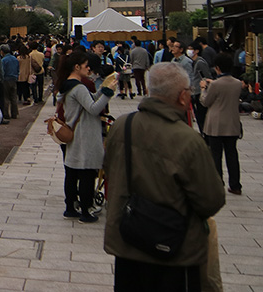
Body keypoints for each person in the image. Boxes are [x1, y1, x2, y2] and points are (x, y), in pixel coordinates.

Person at [103, 62, 226, 290]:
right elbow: (211, 200)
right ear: (182, 96)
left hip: (128, 240)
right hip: (174, 248)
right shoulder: (188, 140)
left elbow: (111, 168)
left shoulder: (122, 126)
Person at [54, 49, 116, 222]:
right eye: (86, 66)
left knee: (72, 172)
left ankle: (70, 208)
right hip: (85, 134)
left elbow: (90, 100)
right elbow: (94, 108)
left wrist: (104, 90)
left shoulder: (68, 84)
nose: (89, 69)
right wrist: (109, 93)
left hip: (74, 132)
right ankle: (86, 211)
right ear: (76, 67)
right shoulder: (79, 87)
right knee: (87, 173)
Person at [200, 53, 243, 195]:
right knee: (232, 154)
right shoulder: (237, 83)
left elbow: (206, 102)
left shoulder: (215, 84)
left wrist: (203, 89)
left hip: (216, 124)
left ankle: (218, 183)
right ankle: (235, 185)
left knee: (215, 155)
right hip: (232, 123)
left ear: (217, 68)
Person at [0, 44, 19, 120]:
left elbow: (2, 71)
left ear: (2, 51)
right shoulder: (15, 58)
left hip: (6, 79)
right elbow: (18, 69)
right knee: (13, 97)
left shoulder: (3, 60)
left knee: (6, 97)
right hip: (14, 78)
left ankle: (6, 113)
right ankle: (14, 113)